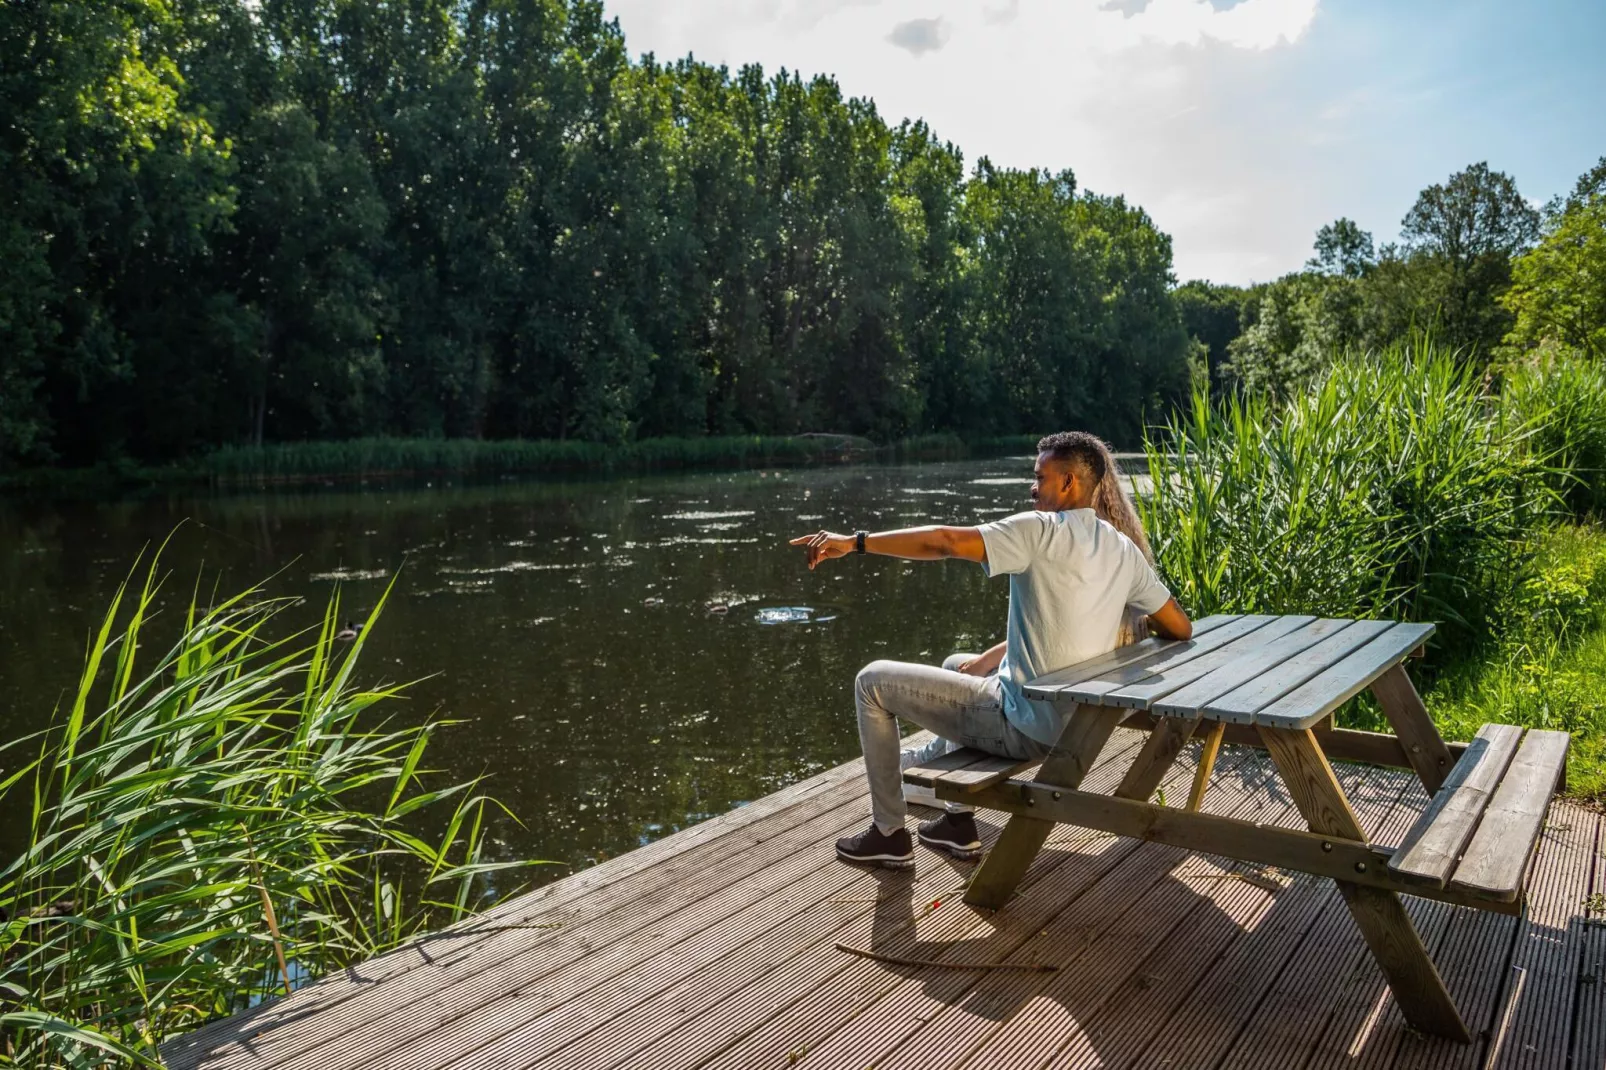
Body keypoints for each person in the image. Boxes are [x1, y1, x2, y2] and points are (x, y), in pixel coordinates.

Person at [790, 431, 1192, 869]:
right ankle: (956, 825)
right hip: (1081, 724)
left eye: (1040, 476)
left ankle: (888, 833)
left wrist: (856, 542)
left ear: (1069, 483)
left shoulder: (1040, 531)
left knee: (872, 683)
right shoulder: (1121, 548)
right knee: (958, 664)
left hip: (1026, 727)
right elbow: (1179, 626)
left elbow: (944, 541)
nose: (1032, 486)